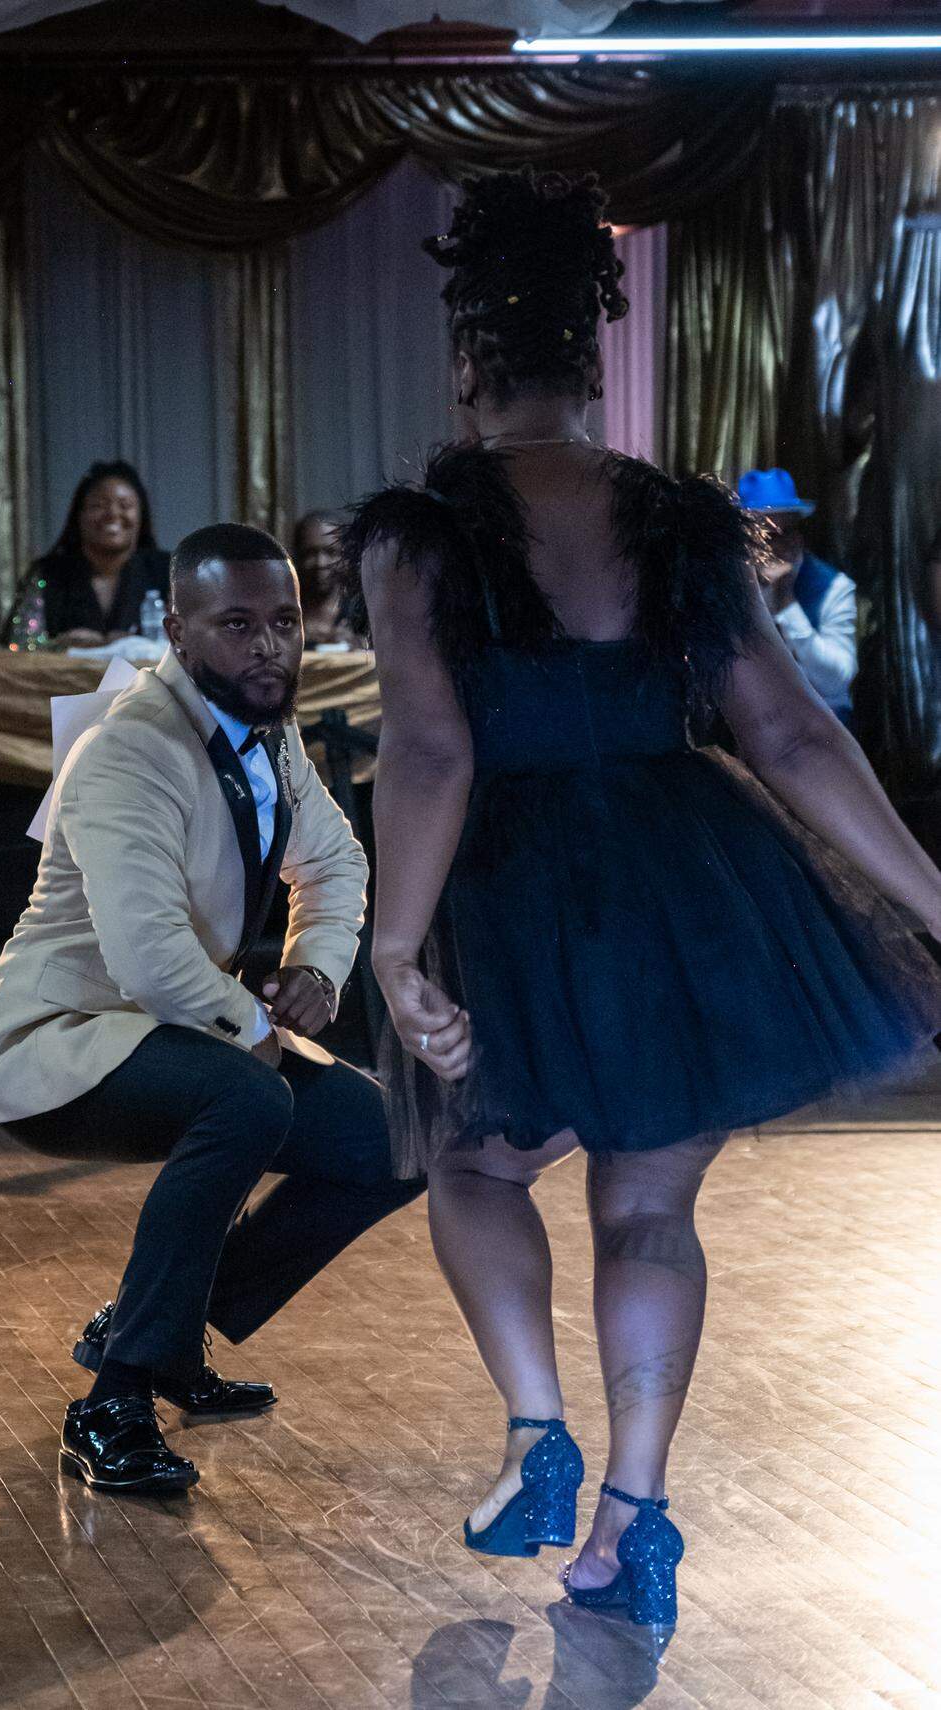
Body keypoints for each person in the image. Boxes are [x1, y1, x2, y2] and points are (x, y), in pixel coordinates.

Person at [344, 169, 941, 1627]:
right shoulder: (678, 519)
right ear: (592, 354)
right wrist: (933, 893)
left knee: (479, 1165)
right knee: (650, 1207)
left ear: (471, 360)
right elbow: (792, 734)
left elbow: (431, 744)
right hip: (693, 880)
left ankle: (539, 1433)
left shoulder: (420, 533)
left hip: (519, 887)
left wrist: (396, 937)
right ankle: (635, 1514)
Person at [0, 522, 422, 1495]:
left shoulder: (271, 726)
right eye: (237, 624)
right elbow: (146, 956)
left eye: (286, 622)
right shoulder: (127, 749)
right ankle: (113, 1403)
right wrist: (261, 1029)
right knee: (251, 1099)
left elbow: (335, 862)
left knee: (396, 1137)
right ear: (178, 632)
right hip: (59, 1036)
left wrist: (317, 969)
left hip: (177, 1022)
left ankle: (154, 1329)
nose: (269, 646)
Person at [1, 460, 169, 648]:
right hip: (63, 677)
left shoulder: (166, 571)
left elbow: (190, 646)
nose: (113, 513)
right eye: (99, 505)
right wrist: (60, 645)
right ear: (79, 516)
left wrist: (134, 644)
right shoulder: (48, 573)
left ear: (141, 515)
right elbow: (16, 647)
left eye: (125, 505)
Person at [738, 468, 857, 722]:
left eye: (779, 535)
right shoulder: (733, 584)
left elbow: (836, 682)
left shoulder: (834, 588)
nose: (769, 547)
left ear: (796, 537)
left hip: (824, 723)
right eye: (760, 537)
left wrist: (787, 603)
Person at [292, 510, 353, 647]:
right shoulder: (282, 615)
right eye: (310, 553)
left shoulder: (362, 614)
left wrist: (358, 649)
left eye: (331, 553)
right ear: (296, 558)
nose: (320, 563)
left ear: (346, 558)